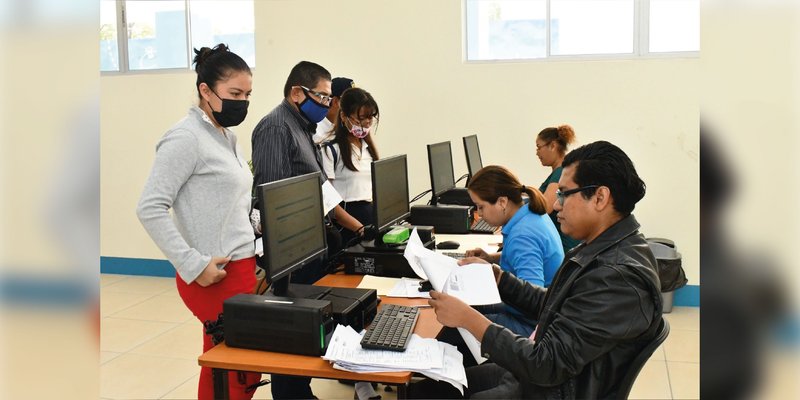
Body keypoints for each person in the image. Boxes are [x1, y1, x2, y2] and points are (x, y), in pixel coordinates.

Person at [410, 141, 663, 399]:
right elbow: (553, 303)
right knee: (425, 390)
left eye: (564, 194)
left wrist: (468, 319)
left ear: (599, 197)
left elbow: (546, 364)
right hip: (549, 380)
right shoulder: (600, 249)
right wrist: (499, 278)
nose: (556, 205)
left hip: (552, 388)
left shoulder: (617, 276)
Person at [136, 44, 261, 400]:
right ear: (205, 91)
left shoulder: (227, 136)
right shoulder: (185, 138)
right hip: (212, 275)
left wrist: (257, 225)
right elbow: (150, 207)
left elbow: (229, 201)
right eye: (235, 93)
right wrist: (192, 264)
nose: (243, 102)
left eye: (248, 94)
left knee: (233, 369)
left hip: (242, 266)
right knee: (235, 374)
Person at [250, 60, 366, 400]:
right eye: (323, 96)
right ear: (297, 92)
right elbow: (273, 194)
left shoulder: (301, 126)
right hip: (291, 251)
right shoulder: (276, 128)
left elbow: (316, 187)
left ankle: (300, 391)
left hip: (310, 244)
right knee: (291, 328)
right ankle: (291, 394)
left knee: (306, 326)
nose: (329, 104)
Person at [462, 165, 563, 337]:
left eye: (481, 207)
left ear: (502, 202)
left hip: (533, 325)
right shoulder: (530, 211)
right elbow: (530, 258)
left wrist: (490, 273)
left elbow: (531, 298)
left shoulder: (522, 235)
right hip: (535, 313)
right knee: (467, 305)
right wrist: (492, 258)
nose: (478, 214)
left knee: (463, 321)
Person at [321, 87, 380, 247]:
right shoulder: (331, 149)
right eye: (361, 118)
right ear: (343, 116)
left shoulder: (367, 148)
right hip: (347, 226)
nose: (366, 124)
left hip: (370, 220)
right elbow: (329, 202)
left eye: (370, 118)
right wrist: (358, 228)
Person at [536, 124, 581, 254]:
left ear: (553, 146)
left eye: (539, 147)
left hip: (563, 247)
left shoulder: (560, 173)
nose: (537, 153)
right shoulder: (558, 172)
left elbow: (545, 207)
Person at [312, 77, 355, 144]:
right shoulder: (315, 132)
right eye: (352, 102)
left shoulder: (347, 129)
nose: (355, 108)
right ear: (336, 102)